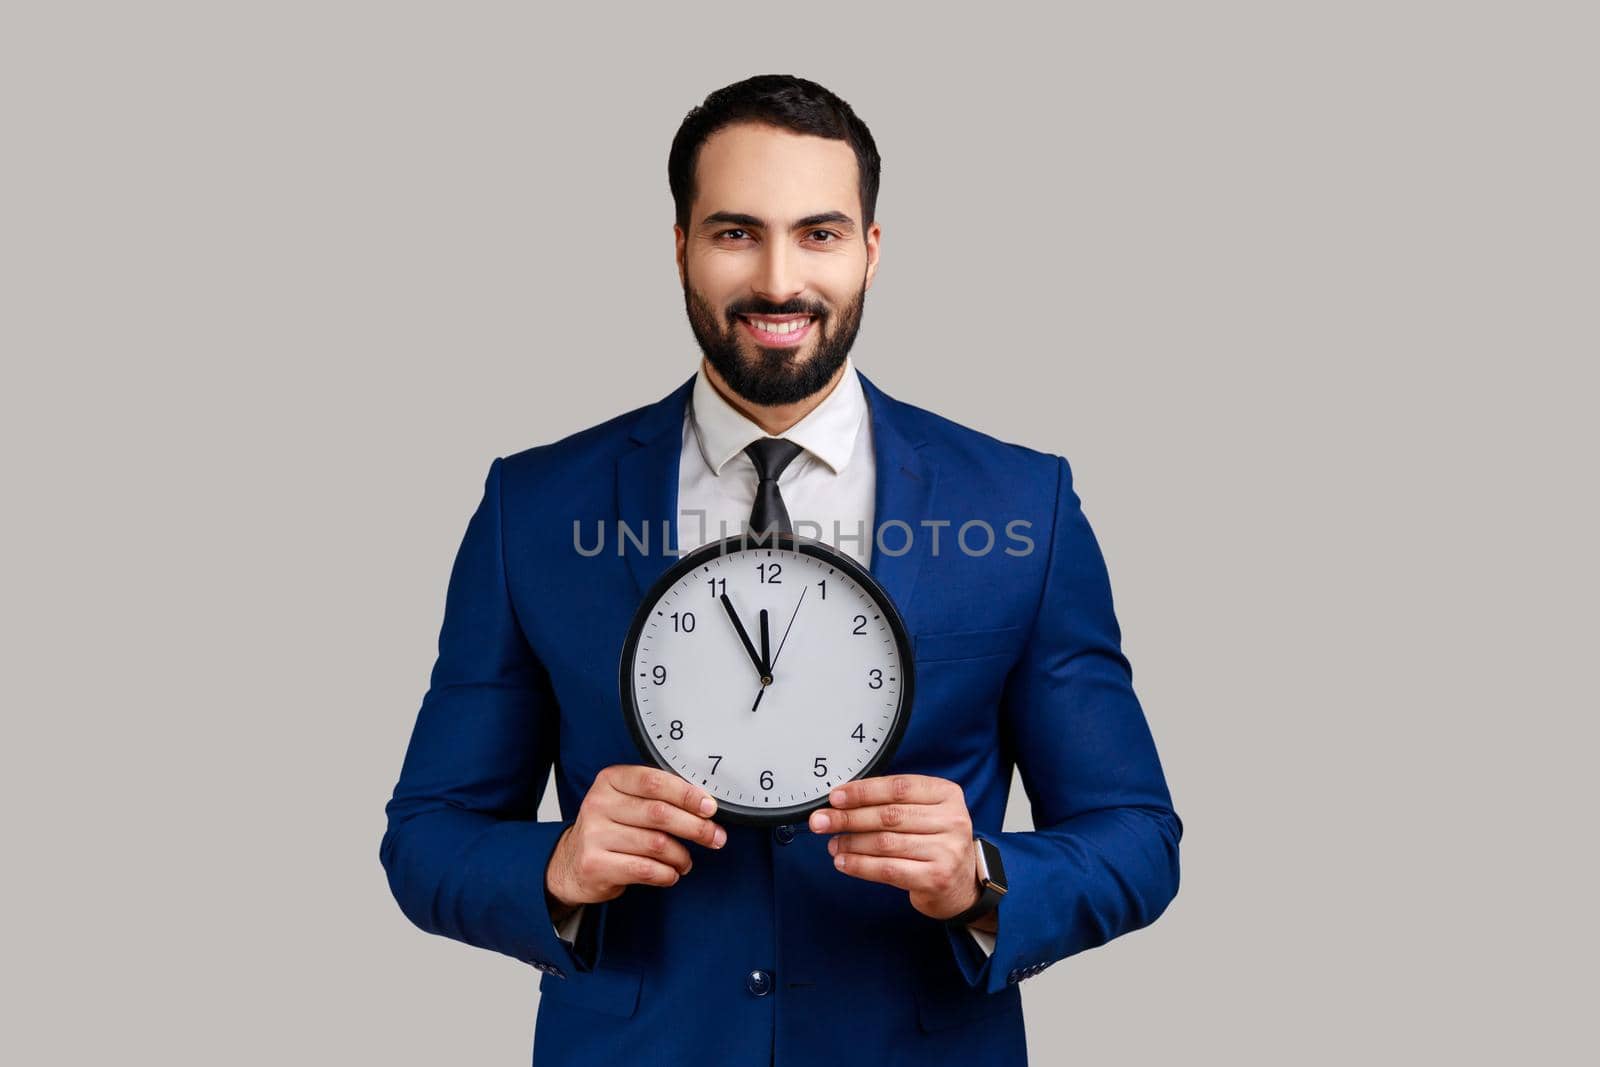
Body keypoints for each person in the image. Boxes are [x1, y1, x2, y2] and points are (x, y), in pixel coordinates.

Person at [380, 74, 1182, 1066]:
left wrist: (981, 876)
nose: (776, 279)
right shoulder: (534, 506)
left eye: (818, 232)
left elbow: (1135, 834)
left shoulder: (1021, 505)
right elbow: (426, 833)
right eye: (734, 232)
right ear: (678, 244)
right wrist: (555, 863)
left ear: (871, 251)